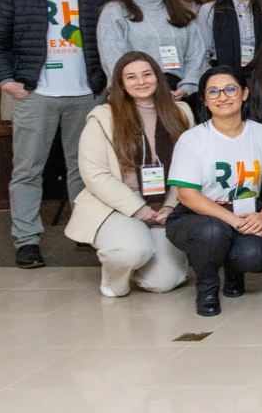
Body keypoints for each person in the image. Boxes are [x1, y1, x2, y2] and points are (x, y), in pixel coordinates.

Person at [0, 0, 112, 268]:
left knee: (86, 168)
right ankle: (27, 241)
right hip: (35, 94)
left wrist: (107, 82)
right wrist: (6, 80)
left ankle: (87, 231)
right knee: (27, 170)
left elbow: (112, 38)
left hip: (87, 94)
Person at [65, 52, 194, 297]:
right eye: (131, 77)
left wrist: (171, 205)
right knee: (131, 250)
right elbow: (95, 174)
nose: (141, 81)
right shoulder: (103, 117)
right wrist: (138, 209)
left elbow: (191, 167)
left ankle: (140, 256)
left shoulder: (181, 112)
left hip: (164, 202)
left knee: (163, 281)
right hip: (117, 203)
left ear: (158, 77)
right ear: (121, 84)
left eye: (147, 74)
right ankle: (115, 275)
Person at [166, 66, 262, 316]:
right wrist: (235, 221)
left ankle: (234, 273)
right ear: (204, 100)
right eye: (213, 91)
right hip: (198, 215)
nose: (222, 97)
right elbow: (187, 195)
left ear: (244, 93)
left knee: (255, 255)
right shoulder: (192, 139)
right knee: (213, 231)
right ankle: (207, 288)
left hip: (246, 210)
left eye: (230, 89)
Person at [97, 0, 204, 100]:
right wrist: (138, 90)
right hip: (135, 95)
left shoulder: (180, 13)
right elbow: (113, 59)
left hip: (177, 95)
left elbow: (196, 54)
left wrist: (187, 86)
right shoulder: (116, 12)